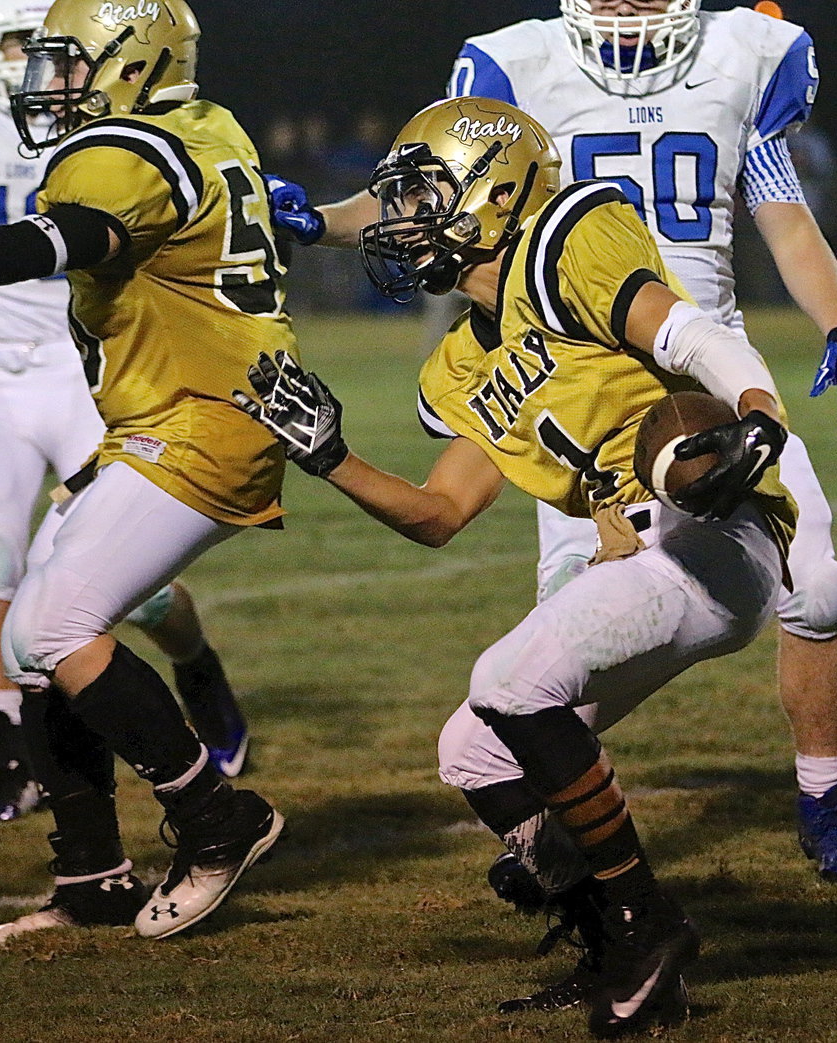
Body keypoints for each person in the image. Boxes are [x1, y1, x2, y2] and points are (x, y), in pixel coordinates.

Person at [267, 0, 837, 902]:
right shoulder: (512, 67)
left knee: (818, 586)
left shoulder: (738, 58)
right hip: (562, 357)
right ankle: (578, 857)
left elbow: (783, 218)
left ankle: (821, 804)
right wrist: (320, 224)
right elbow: (430, 193)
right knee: (541, 673)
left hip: (687, 355)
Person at [238, 96, 796, 1037]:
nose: (404, 222)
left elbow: (689, 332)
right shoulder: (455, 363)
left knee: (509, 679)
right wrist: (329, 457)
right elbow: (441, 513)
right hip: (637, 552)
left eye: (421, 197)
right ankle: (607, 946)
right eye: (399, 203)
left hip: (710, 527)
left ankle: (643, 921)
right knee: (473, 746)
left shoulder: (567, 242)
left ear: (495, 192)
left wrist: (757, 415)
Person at [0, 0, 286, 945]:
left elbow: (50, 242)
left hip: (201, 420)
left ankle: (218, 817)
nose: (50, 83)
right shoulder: (206, 123)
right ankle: (92, 876)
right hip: (174, 409)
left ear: (135, 60)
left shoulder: (125, 152)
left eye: (72, 64)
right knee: (37, 634)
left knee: (50, 624)